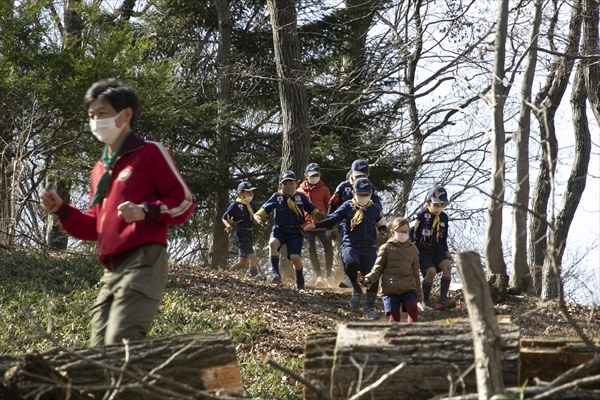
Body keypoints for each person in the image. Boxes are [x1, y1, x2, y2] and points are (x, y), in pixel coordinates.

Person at [40, 78, 196, 347]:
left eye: (102, 113)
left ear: (125, 115)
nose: (95, 121)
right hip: (111, 270)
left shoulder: (149, 153)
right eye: (91, 115)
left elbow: (184, 202)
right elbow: (93, 227)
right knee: (98, 352)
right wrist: (62, 210)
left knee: (120, 343)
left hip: (143, 261)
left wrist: (147, 211)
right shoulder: (100, 169)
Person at [305, 177, 387, 319]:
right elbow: (333, 218)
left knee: (373, 277)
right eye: (360, 194)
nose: (363, 197)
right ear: (354, 192)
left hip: (369, 247)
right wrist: (317, 225)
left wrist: (383, 231)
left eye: (366, 195)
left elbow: (381, 223)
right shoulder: (347, 206)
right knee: (351, 265)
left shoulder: (375, 208)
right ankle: (356, 290)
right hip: (351, 245)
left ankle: (369, 308)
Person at [253, 171, 325, 290]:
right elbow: (264, 209)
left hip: (295, 231)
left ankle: (300, 281)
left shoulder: (301, 197)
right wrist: (257, 217)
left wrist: (319, 215)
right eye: (285, 184)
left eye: (291, 183)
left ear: (296, 183)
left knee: (295, 258)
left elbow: (312, 209)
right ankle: (276, 274)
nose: (289, 186)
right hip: (280, 229)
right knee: (272, 244)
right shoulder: (277, 197)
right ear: (281, 185)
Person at [328, 159, 382, 288]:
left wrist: (380, 226)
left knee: (368, 247)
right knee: (348, 246)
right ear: (351, 173)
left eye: (364, 176)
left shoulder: (371, 188)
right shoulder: (343, 186)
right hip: (346, 221)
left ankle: (365, 276)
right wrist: (328, 227)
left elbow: (378, 207)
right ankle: (348, 274)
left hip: (366, 222)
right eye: (358, 176)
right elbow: (333, 205)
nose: (361, 178)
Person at [361, 217, 422, 323]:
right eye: (400, 231)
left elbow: (416, 274)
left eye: (406, 231)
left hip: (408, 289)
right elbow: (377, 269)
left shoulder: (413, 250)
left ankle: (413, 336)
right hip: (390, 290)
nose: (403, 234)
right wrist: (367, 279)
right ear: (392, 232)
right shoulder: (386, 248)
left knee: (412, 308)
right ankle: (392, 338)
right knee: (395, 319)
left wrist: (419, 296)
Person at [410, 185, 456, 311]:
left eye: (443, 204)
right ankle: (425, 300)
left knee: (447, 265)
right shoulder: (420, 215)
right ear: (429, 201)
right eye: (437, 203)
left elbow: (443, 237)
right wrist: (411, 245)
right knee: (431, 272)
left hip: (437, 249)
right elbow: (410, 230)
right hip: (422, 249)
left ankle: (443, 300)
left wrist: (446, 251)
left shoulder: (444, 217)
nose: (439, 207)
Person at [297, 163, 334, 287]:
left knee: (328, 248)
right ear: (305, 175)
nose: (314, 177)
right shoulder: (299, 191)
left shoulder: (324, 189)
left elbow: (329, 207)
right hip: (306, 226)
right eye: (312, 175)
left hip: (322, 225)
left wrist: (329, 224)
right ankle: (319, 276)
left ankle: (328, 275)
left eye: (317, 175)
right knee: (310, 249)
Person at [222, 181, 259, 277]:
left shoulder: (252, 205)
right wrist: (228, 225)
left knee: (242, 261)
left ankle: (227, 274)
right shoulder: (235, 205)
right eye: (248, 192)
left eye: (252, 192)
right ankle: (254, 278)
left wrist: (256, 221)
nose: (251, 194)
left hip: (249, 233)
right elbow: (224, 217)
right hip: (240, 233)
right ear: (240, 193)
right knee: (253, 257)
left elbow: (255, 216)